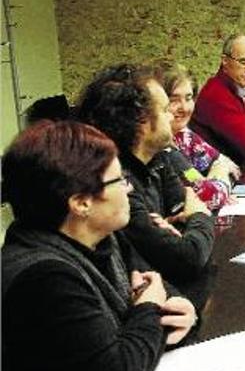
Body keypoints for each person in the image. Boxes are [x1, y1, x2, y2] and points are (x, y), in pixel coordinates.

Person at [1, 120, 196, 371]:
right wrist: (149, 309)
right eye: (119, 181)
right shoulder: (43, 278)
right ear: (81, 203)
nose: (129, 188)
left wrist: (179, 308)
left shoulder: (102, 237)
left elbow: (154, 283)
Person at [77, 64, 215, 288]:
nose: (172, 114)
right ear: (141, 121)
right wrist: (200, 216)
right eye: (164, 109)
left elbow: (182, 215)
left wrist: (179, 228)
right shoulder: (116, 184)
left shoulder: (158, 158)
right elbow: (186, 259)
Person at [159, 61, 240, 211]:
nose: (184, 108)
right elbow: (210, 197)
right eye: (173, 100)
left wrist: (216, 175)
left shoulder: (184, 136)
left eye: (188, 98)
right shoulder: (162, 148)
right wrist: (219, 173)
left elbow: (229, 167)